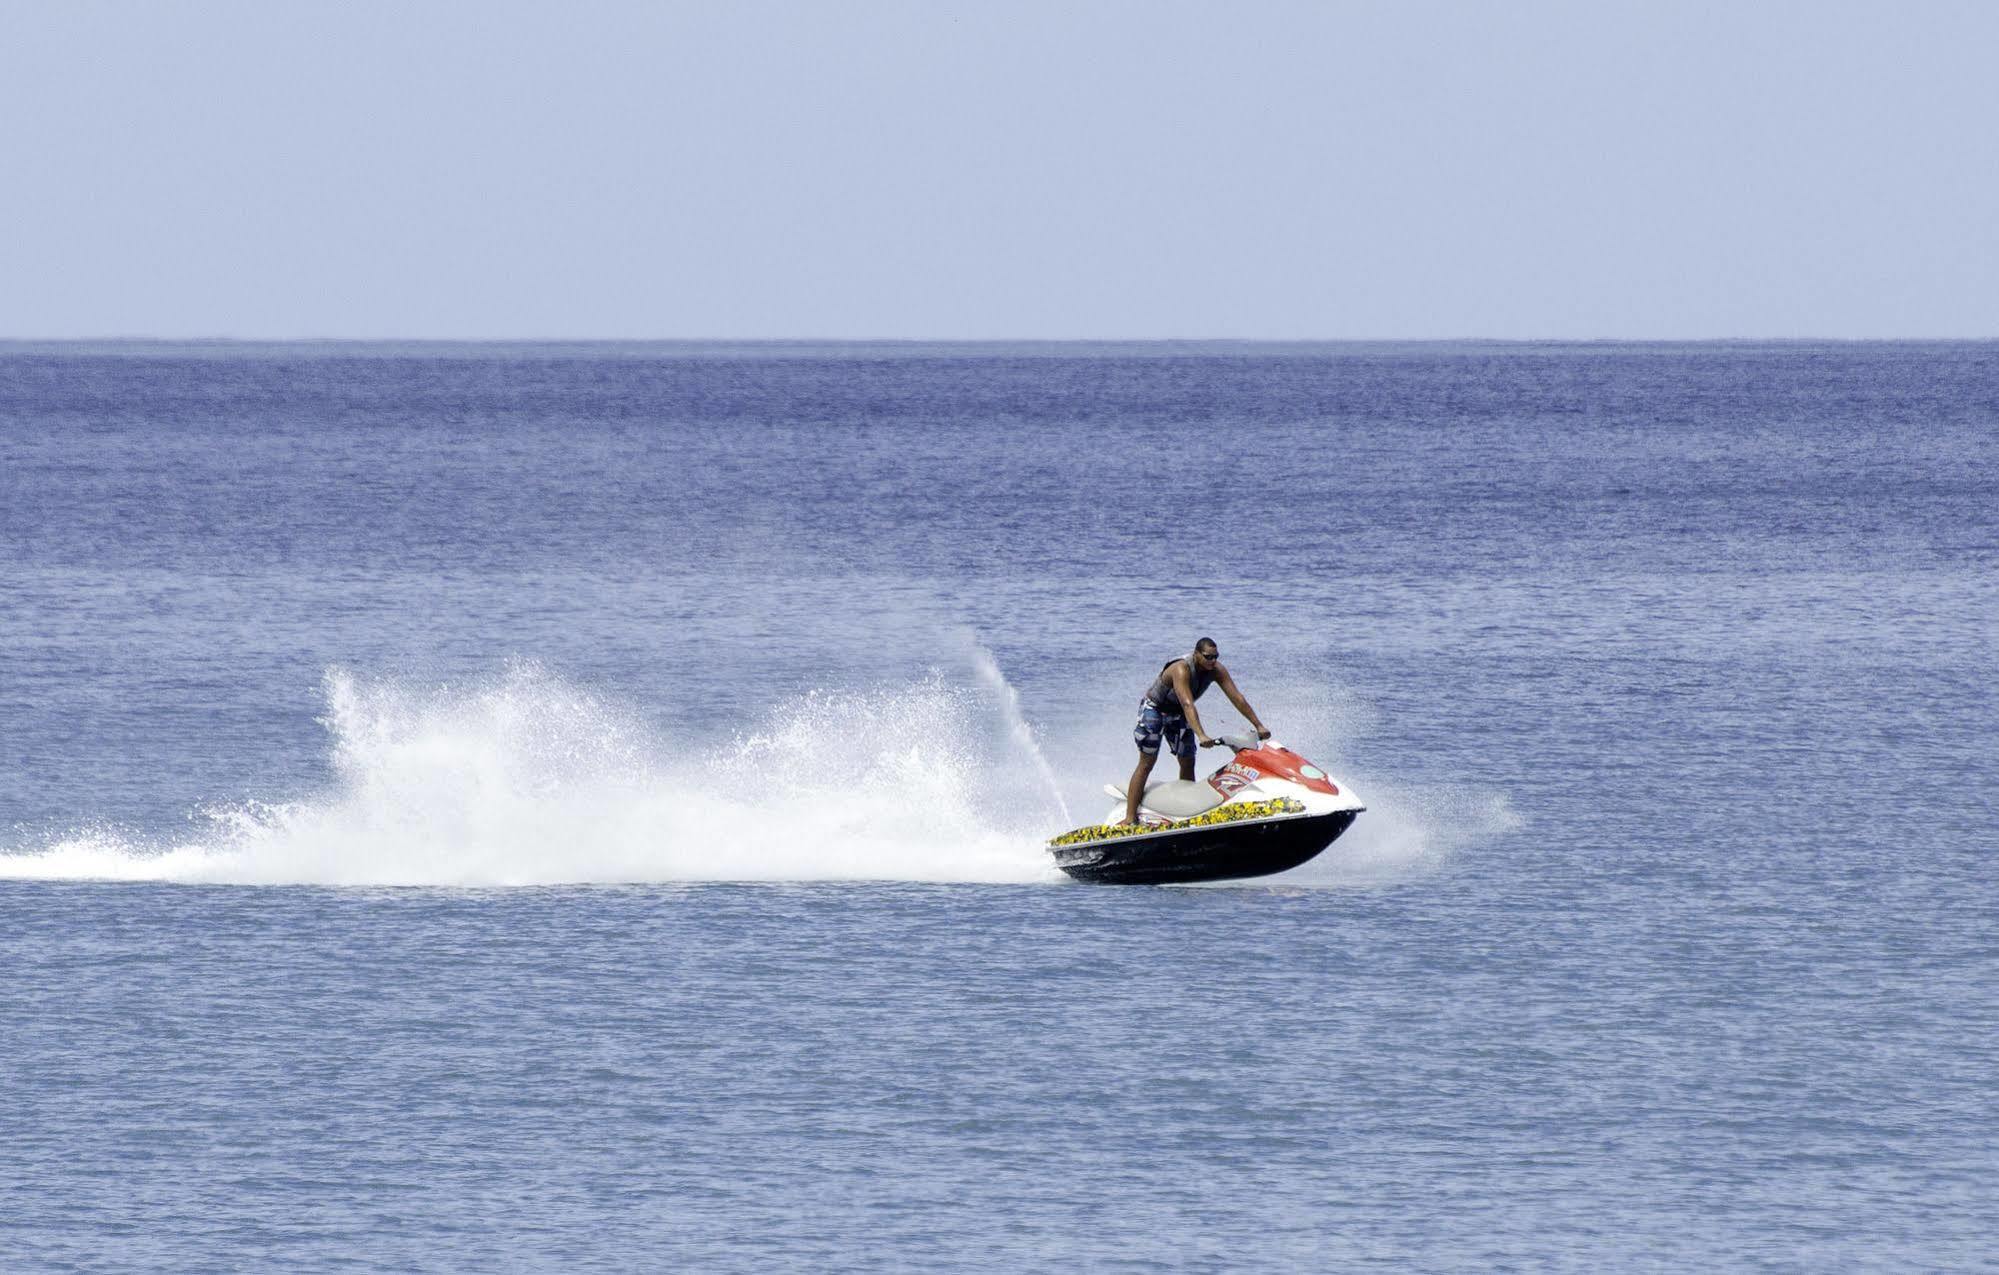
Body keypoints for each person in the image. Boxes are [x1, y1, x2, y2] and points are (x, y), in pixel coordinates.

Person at [1121, 638, 1270, 825]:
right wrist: (1201, 734)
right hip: (1154, 710)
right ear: (1196, 654)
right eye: (1208, 657)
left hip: (1178, 713)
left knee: (1188, 760)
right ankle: (1129, 818)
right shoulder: (1181, 668)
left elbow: (1237, 698)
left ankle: (1186, 812)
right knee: (1147, 762)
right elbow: (1187, 703)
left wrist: (1259, 725)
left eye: (1216, 657)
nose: (1212, 661)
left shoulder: (1216, 670)